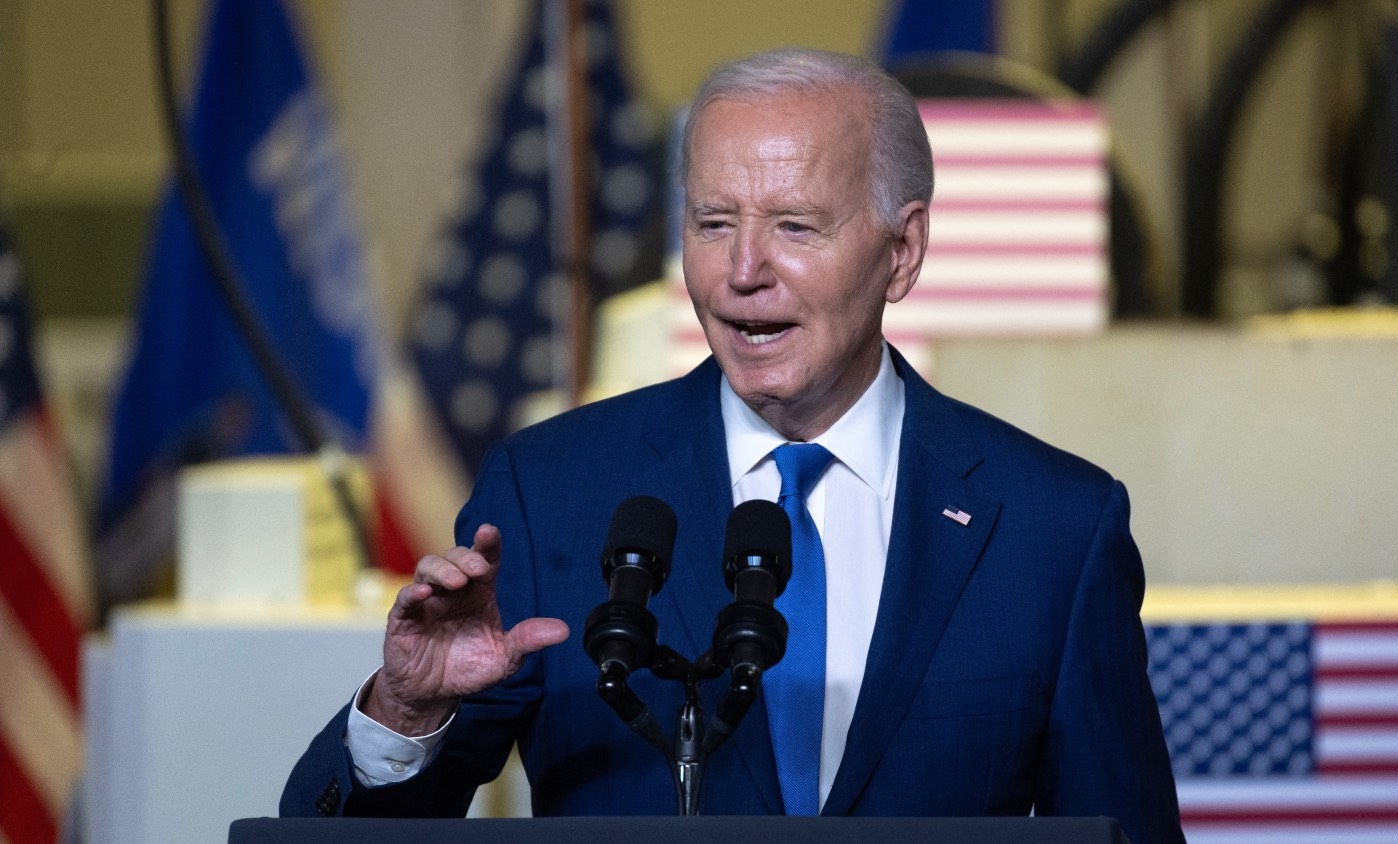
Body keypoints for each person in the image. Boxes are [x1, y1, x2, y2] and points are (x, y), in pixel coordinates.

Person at [283, 47, 1183, 842]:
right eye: (714, 223)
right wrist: (407, 712)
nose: (742, 271)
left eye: (795, 226)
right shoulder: (549, 491)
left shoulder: (1051, 528)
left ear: (903, 251)